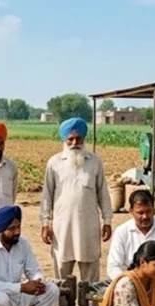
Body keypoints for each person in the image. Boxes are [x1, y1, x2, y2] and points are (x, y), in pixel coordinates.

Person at [39, 117, 113, 287]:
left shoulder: (95, 161)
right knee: (62, 270)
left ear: (84, 139)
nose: (74, 143)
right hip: (62, 227)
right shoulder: (54, 163)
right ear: (64, 140)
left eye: (78, 138)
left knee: (90, 271)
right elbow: (46, 195)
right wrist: (45, 223)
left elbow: (103, 193)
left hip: (89, 227)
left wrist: (107, 221)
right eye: (70, 139)